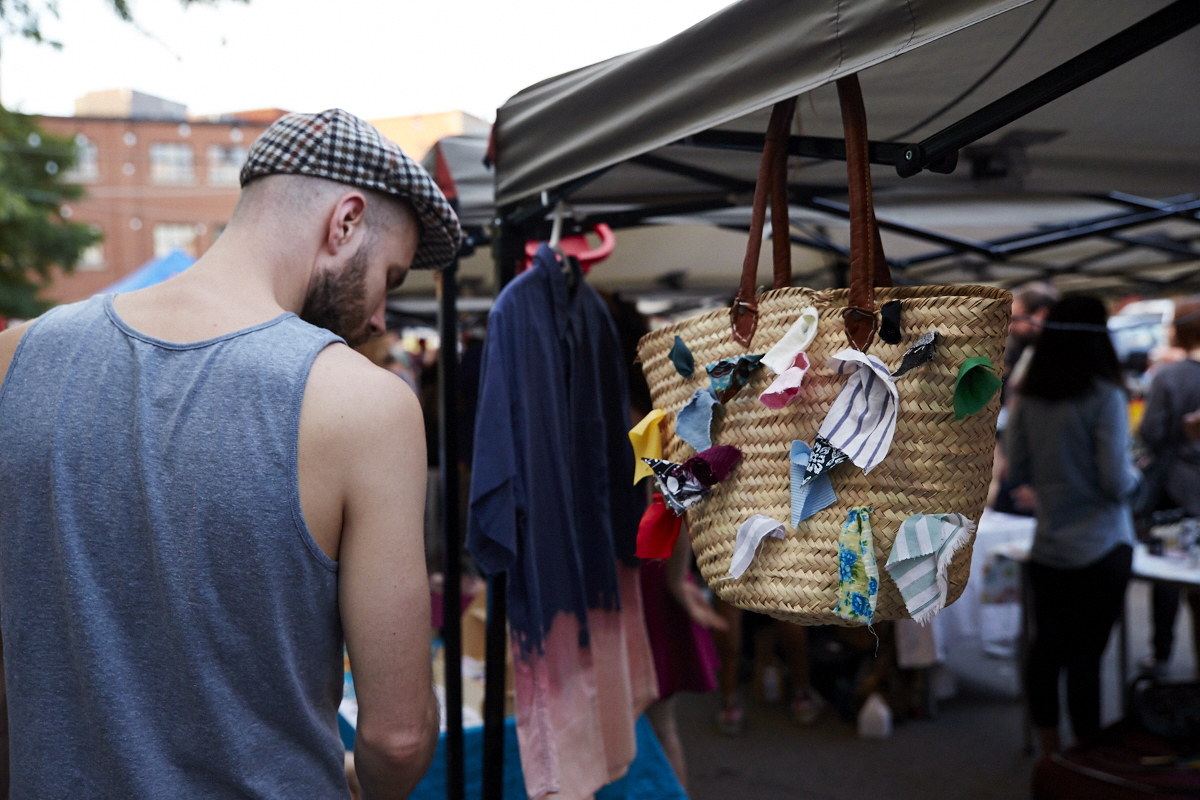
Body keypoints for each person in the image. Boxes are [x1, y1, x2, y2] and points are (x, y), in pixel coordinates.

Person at [0, 109, 461, 798]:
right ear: (344, 223)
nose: (380, 318)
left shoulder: (15, 359)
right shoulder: (363, 405)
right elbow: (398, 738)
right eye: (389, 279)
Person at [1005, 295, 1141, 753]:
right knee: (1087, 660)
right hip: (1102, 546)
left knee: (1046, 652)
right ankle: (1085, 762)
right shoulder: (1106, 396)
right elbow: (1115, 481)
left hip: (1048, 547)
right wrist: (1140, 469)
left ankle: (1050, 755)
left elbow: (1017, 472)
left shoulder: (1029, 399)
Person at [1138, 295, 1200, 675]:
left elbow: (1150, 433)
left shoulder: (1168, 376)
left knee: (1166, 578)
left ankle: (1161, 656)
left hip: (1174, 488)